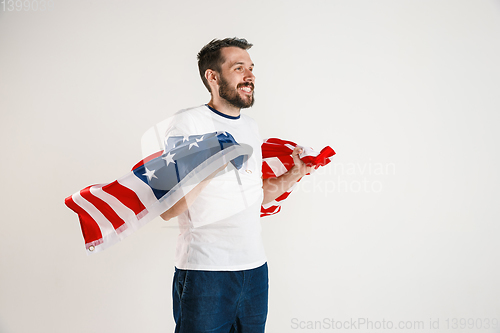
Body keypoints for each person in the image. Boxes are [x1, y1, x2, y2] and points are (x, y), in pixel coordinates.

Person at [160, 37, 313, 333]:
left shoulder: (250, 127)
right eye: (238, 67)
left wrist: (295, 173)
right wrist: (212, 167)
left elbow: (256, 195)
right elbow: (168, 208)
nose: (250, 75)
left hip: (255, 272)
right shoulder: (187, 124)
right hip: (206, 274)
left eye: (251, 68)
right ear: (213, 76)